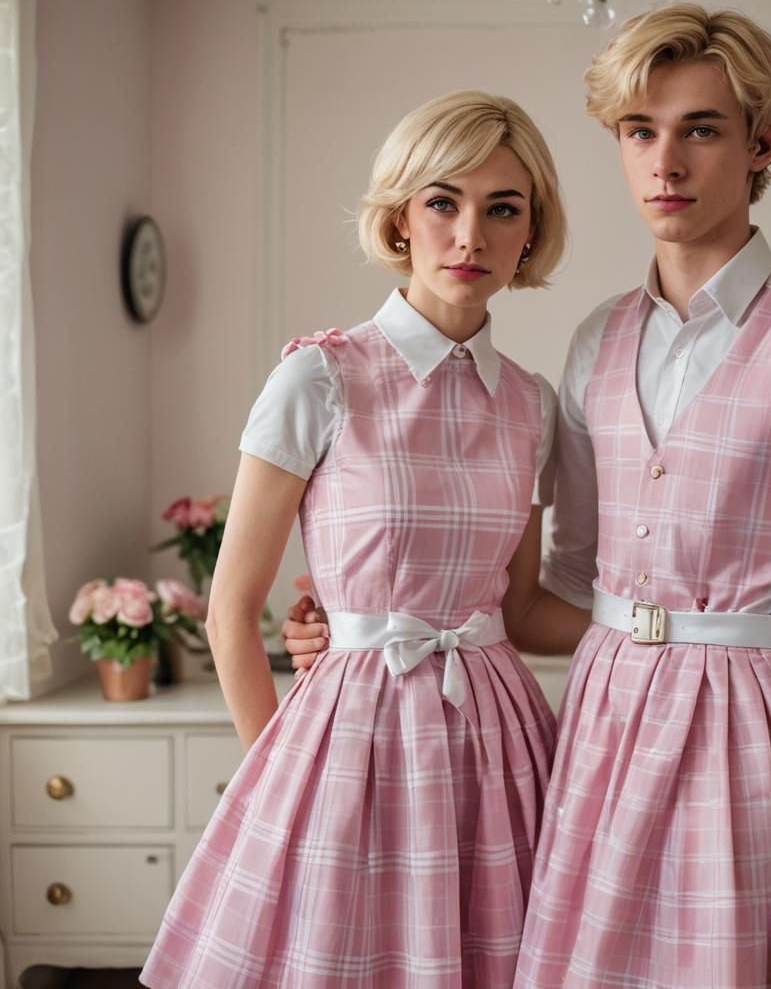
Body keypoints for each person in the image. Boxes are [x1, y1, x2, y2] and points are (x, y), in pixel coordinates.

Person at [507, 4, 771, 989]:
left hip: (748, 750)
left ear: (761, 144)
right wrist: (345, 627)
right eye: (638, 132)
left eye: (700, 129)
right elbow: (560, 589)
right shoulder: (593, 343)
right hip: (599, 739)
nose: (665, 163)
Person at [141, 89, 585, 989]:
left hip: (498, 741)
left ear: (531, 233)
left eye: (503, 209)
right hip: (350, 737)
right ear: (399, 219)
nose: (471, 236)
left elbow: (527, 607)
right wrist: (278, 776)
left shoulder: (534, 405)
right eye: (443, 202)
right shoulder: (321, 375)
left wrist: (687, 621)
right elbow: (231, 609)